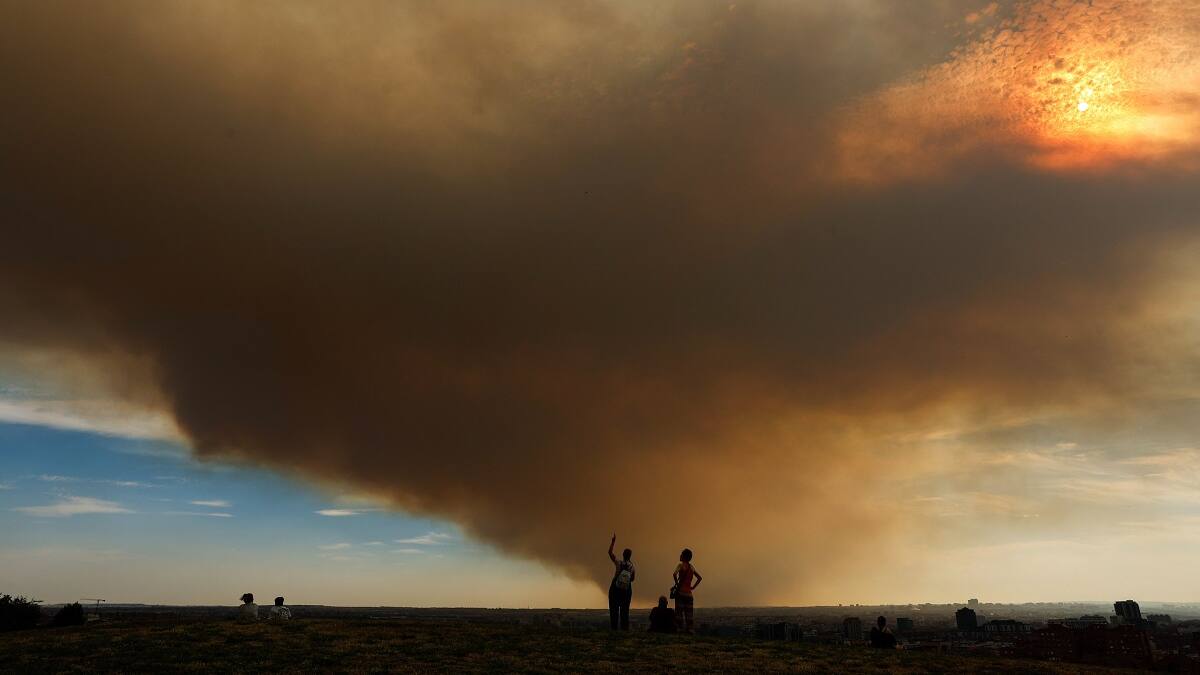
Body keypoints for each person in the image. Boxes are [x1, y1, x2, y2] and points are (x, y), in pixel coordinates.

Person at [607, 533, 636, 630]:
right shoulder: (632, 567)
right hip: (626, 590)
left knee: (614, 610)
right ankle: (624, 629)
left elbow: (610, 553)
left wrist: (613, 542)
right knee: (625, 611)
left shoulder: (618, 562)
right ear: (630, 556)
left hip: (615, 588)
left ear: (623, 555)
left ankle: (614, 629)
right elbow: (632, 579)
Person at [672, 548, 702, 634]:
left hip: (681, 593)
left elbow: (674, 574)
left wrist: (677, 584)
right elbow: (699, 578)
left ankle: (679, 630)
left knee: (679, 613)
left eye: (681, 554)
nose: (680, 556)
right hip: (689, 594)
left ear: (684, 556)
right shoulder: (691, 567)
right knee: (689, 614)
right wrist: (693, 587)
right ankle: (690, 630)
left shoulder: (680, 565)